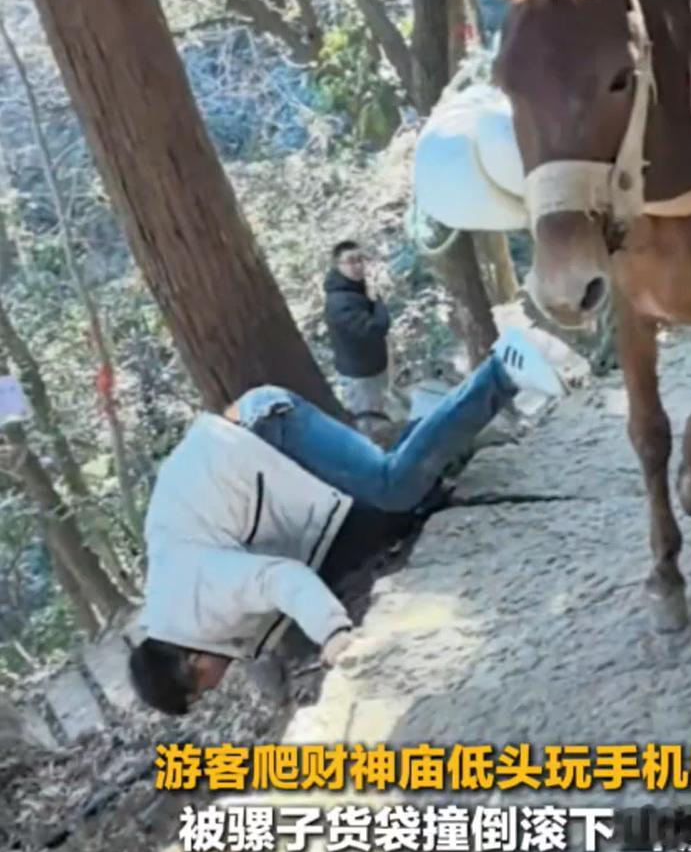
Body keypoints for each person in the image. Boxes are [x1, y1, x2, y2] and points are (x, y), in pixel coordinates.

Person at [128, 328, 564, 715]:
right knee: (391, 503)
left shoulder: (194, 599)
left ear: (189, 663)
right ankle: (441, 415)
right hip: (260, 462)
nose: (215, 687)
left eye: (202, 690)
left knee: (392, 486)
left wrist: (333, 633)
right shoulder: (182, 608)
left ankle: (502, 370)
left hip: (267, 430)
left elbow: (280, 577)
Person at [323, 240, 392, 418]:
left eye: (360, 260)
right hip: (360, 378)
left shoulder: (355, 290)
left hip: (372, 370)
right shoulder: (339, 302)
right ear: (337, 265)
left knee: (381, 418)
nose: (358, 266)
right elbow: (377, 328)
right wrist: (377, 300)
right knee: (371, 425)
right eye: (351, 261)